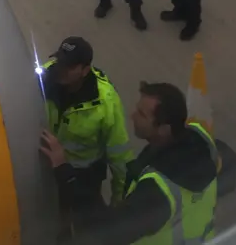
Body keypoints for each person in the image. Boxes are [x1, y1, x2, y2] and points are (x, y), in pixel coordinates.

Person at [41, 81, 218, 244]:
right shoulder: (200, 141)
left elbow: (108, 230)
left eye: (141, 114)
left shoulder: (158, 192)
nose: (132, 116)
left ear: (164, 129)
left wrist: (65, 170)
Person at [38, 36, 134, 239]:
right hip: (50, 167)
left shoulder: (105, 103)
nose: (61, 69)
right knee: (55, 211)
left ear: (85, 70)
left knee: (87, 225)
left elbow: (120, 157)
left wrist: (119, 203)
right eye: (60, 62)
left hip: (83, 176)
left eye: (69, 66)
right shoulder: (44, 78)